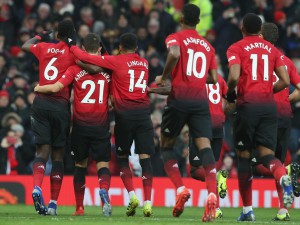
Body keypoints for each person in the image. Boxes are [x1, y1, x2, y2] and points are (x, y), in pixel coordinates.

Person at [68, 33, 155, 217]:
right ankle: (148, 203)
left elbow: (87, 60)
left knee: (117, 158)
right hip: (143, 116)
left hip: (119, 117)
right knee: (145, 158)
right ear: (137, 48)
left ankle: (128, 197)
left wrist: (72, 47)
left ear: (120, 47)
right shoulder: (145, 64)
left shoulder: (115, 62)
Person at [34, 33, 112, 216]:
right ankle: (104, 192)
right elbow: (113, 100)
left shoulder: (75, 68)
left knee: (80, 165)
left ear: (83, 49)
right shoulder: (109, 68)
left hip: (80, 125)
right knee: (103, 164)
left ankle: (79, 207)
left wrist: (38, 88)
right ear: (100, 48)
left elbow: (56, 88)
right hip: (101, 125)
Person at [226, 13, 293, 221]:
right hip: (269, 108)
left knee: (244, 157)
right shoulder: (273, 50)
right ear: (259, 30)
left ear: (243, 28)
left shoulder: (235, 48)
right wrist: (267, 91)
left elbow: (234, 76)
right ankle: (283, 176)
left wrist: (230, 93)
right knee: (267, 155)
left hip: (247, 107)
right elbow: (285, 80)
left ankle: (247, 210)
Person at [155, 4, 218, 222]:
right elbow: (214, 78)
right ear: (199, 22)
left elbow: (173, 53)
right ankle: (212, 193)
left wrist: (165, 76)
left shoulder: (176, 37)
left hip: (179, 99)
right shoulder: (208, 46)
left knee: (166, 145)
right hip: (200, 101)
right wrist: (197, 79)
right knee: (205, 147)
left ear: (181, 18)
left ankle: (181, 188)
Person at [21, 19, 76, 215]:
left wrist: (41, 34)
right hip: (60, 106)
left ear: (57, 34)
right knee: (58, 156)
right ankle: (53, 204)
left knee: (42, 152)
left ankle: (36, 187)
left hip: (40, 103)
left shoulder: (44, 47)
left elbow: (25, 45)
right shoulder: (72, 51)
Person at [251, 22, 300, 221]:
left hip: (264, 115)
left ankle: (247, 209)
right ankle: (283, 210)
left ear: (261, 36)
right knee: (276, 161)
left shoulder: (258, 57)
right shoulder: (287, 61)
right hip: (285, 116)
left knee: (256, 159)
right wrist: (287, 100)